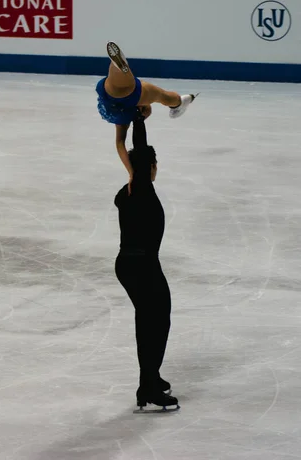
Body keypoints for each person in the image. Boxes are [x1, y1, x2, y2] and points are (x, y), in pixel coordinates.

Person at [114, 110, 179, 411]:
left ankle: (148, 380)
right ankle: (149, 384)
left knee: (149, 320)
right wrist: (138, 120)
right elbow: (139, 152)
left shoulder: (127, 191)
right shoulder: (139, 187)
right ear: (149, 167)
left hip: (131, 264)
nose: (157, 168)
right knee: (157, 322)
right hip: (142, 265)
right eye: (154, 164)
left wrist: (136, 123)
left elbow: (137, 156)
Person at [96, 42, 198, 183]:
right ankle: (117, 67)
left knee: (164, 96)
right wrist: (130, 173)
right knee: (117, 82)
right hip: (107, 90)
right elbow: (119, 145)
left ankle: (178, 104)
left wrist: (132, 173)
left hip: (132, 95)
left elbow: (121, 144)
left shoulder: (123, 119)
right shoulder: (119, 119)